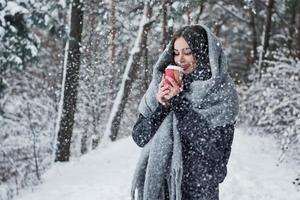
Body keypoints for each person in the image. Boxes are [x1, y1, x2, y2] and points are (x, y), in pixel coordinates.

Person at [131, 24, 239, 200]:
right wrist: (163, 106)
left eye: (187, 52)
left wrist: (178, 104)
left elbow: (215, 156)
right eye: (176, 52)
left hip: (200, 193)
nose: (180, 59)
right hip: (161, 190)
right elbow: (139, 137)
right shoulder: (159, 86)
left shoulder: (220, 93)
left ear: (203, 53)